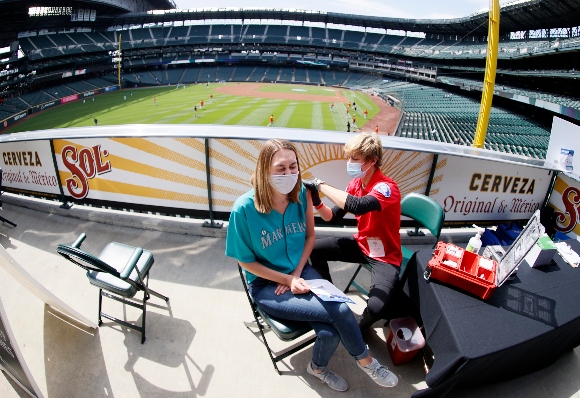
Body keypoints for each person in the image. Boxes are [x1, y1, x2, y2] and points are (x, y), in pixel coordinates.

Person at [225, 139, 399, 392]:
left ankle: (317, 368)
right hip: (266, 285)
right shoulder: (243, 208)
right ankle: (367, 362)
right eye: (281, 168)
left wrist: (296, 274)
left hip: (301, 270)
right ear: (265, 169)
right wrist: (286, 280)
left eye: (293, 166)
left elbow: (310, 236)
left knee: (330, 333)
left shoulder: (301, 195)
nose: (289, 173)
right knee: (339, 311)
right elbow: (244, 261)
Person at [304, 133, 419, 332]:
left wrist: (321, 185)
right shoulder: (356, 184)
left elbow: (357, 206)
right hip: (362, 244)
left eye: (355, 159)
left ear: (372, 161)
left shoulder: (387, 188)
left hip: (385, 256)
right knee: (313, 249)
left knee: (376, 308)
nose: (349, 163)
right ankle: (332, 302)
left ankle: (360, 327)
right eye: (349, 158)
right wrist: (316, 198)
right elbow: (332, 217)